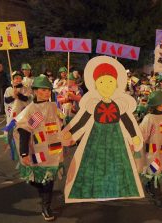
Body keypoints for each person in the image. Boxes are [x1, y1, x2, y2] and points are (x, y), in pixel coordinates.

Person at [62, 57, 144, 204]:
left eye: (110, 82)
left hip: (116, 137)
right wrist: (71, 131)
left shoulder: (120, 104)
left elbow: (126, 121)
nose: (106, 86)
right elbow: (83, 120)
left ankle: (116, 189)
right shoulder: (93, 104)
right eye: (102, 82)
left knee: (117, 164)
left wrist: (134, 136)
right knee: (94, 165)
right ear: (95, 85)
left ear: (116, 84)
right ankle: (94, 190)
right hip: (96, 138)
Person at [13, 75, 64, 221]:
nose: (47, 93)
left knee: (49, 181)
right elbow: (25, 131)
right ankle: (44, 196)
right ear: (35, 91)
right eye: (43, 90)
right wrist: (24, 153)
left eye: (48, 90)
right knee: (39, 180)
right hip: (38, 151)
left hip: (54, 150)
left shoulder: (54, 106)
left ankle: (46, 206)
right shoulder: (32, 110)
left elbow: (62, 124)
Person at [139, 90, 162, 208]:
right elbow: (142, 134)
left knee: (157, 171)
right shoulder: (149, 118)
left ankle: (149, 187)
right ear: (160, 104)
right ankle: (157, 197)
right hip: (153, 152)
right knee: (155, 172)